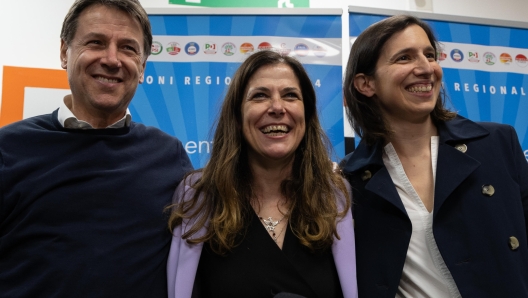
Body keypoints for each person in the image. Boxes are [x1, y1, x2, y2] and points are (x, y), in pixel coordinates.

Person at [0, 1, 192, 297]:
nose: (112, 59)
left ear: (142, 67)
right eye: (96, 42)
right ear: (65, 53)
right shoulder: (8, 148)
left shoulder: (170, 156)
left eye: (128, 48)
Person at [340, 14, 528, 297]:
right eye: (404, 58)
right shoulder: (350, 180)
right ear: (366, 84)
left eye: (430, 55)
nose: (426, 68)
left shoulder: (497, 144)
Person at [167, 50, 357, 298]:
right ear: (237, 116)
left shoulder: (336, 196)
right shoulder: (197, 197)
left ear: (307, 115)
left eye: (290, 95)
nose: (277, 107)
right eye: (260, 96)